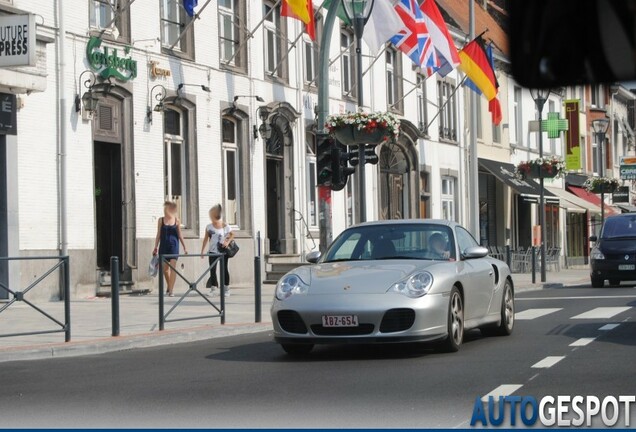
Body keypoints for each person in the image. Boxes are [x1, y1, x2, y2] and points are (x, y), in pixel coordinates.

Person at [153, 201, 188, 297]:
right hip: (163, 246)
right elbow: (158, 234)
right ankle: (169, 285)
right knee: (165, 269)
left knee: (173, 268)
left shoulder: (177, 220)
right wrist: (155, 247)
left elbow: (180, 234)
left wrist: (184, 246)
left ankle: (171, 290)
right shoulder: (161, 220)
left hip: (174, 246)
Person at [200, 204, 233, 297]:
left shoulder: (224, 225)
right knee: (212, 270)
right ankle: (213, 288)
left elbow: (232, 234)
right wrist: (202, 251)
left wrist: (227, 241)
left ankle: (226, 288)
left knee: (224, 269)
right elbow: (205, 239)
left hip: (223, 251)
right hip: (212, 251)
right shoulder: (208, 227)